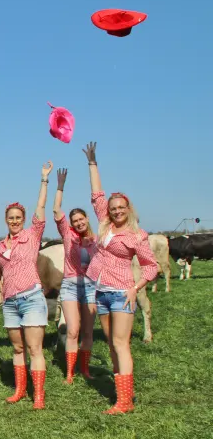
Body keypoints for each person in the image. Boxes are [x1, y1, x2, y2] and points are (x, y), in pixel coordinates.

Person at [82, 142, 157, 414]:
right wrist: (92, 162)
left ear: (128, 208)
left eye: (121, 207)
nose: (116, 211)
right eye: (113, 208)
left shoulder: (137, 235)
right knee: (112, 346)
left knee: (119, 343)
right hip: (101, 292)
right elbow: (96, 195)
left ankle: (125, 401)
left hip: (122, 292)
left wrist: (136, 287)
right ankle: (121, 394)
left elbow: (151, 266)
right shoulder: (105, 224)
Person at [0, 161, 54, 410]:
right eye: (10, 218)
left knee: (34, 347)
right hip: (9, 302)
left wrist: (44, 179)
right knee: (18, 347)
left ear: (24, 219)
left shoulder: (32, 236)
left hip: (31, 297)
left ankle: (39, 395)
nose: (14, 221)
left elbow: (41, 208)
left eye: (18, 218)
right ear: (5, 220)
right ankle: (20, 390)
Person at [53, 168, 98, 383]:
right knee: (73, 330)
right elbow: (56, 210)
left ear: (87, 219)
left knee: (88, 332)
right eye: (75, 221)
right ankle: (70, 372)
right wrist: (60, 186)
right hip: (70, 285)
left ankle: (85, 368)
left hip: (90, 286)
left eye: (81, 219)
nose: (79, 223)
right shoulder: (68, 235)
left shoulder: (96, 241)